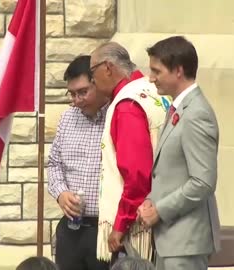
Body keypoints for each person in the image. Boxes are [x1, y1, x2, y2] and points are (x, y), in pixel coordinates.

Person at [137, 36, 221, 270]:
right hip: (171, 240)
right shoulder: (179, 107)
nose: (151, 78)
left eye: (156, 71)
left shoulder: (196, 113)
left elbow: (203, 181)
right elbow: (171, 173)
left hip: (186, 242)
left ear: (178, 71)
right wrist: (150, 202)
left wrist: (160, 210)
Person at [90, 42, 169, 261]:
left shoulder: (128, 105)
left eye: (92, 71)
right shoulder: (154, 89)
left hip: (137, 230)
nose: (92, 80)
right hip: (162, 214)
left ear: (108, 68)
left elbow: (136, 175)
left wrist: (121, 223)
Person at [47, 55, 110, 270]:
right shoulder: (67, 118)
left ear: (98, 83)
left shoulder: (117, 116)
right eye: (72, 94)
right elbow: (54, 164)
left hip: (105, 230)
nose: (77, 100)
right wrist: (61, 193)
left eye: (83, 92)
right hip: (71, 230)